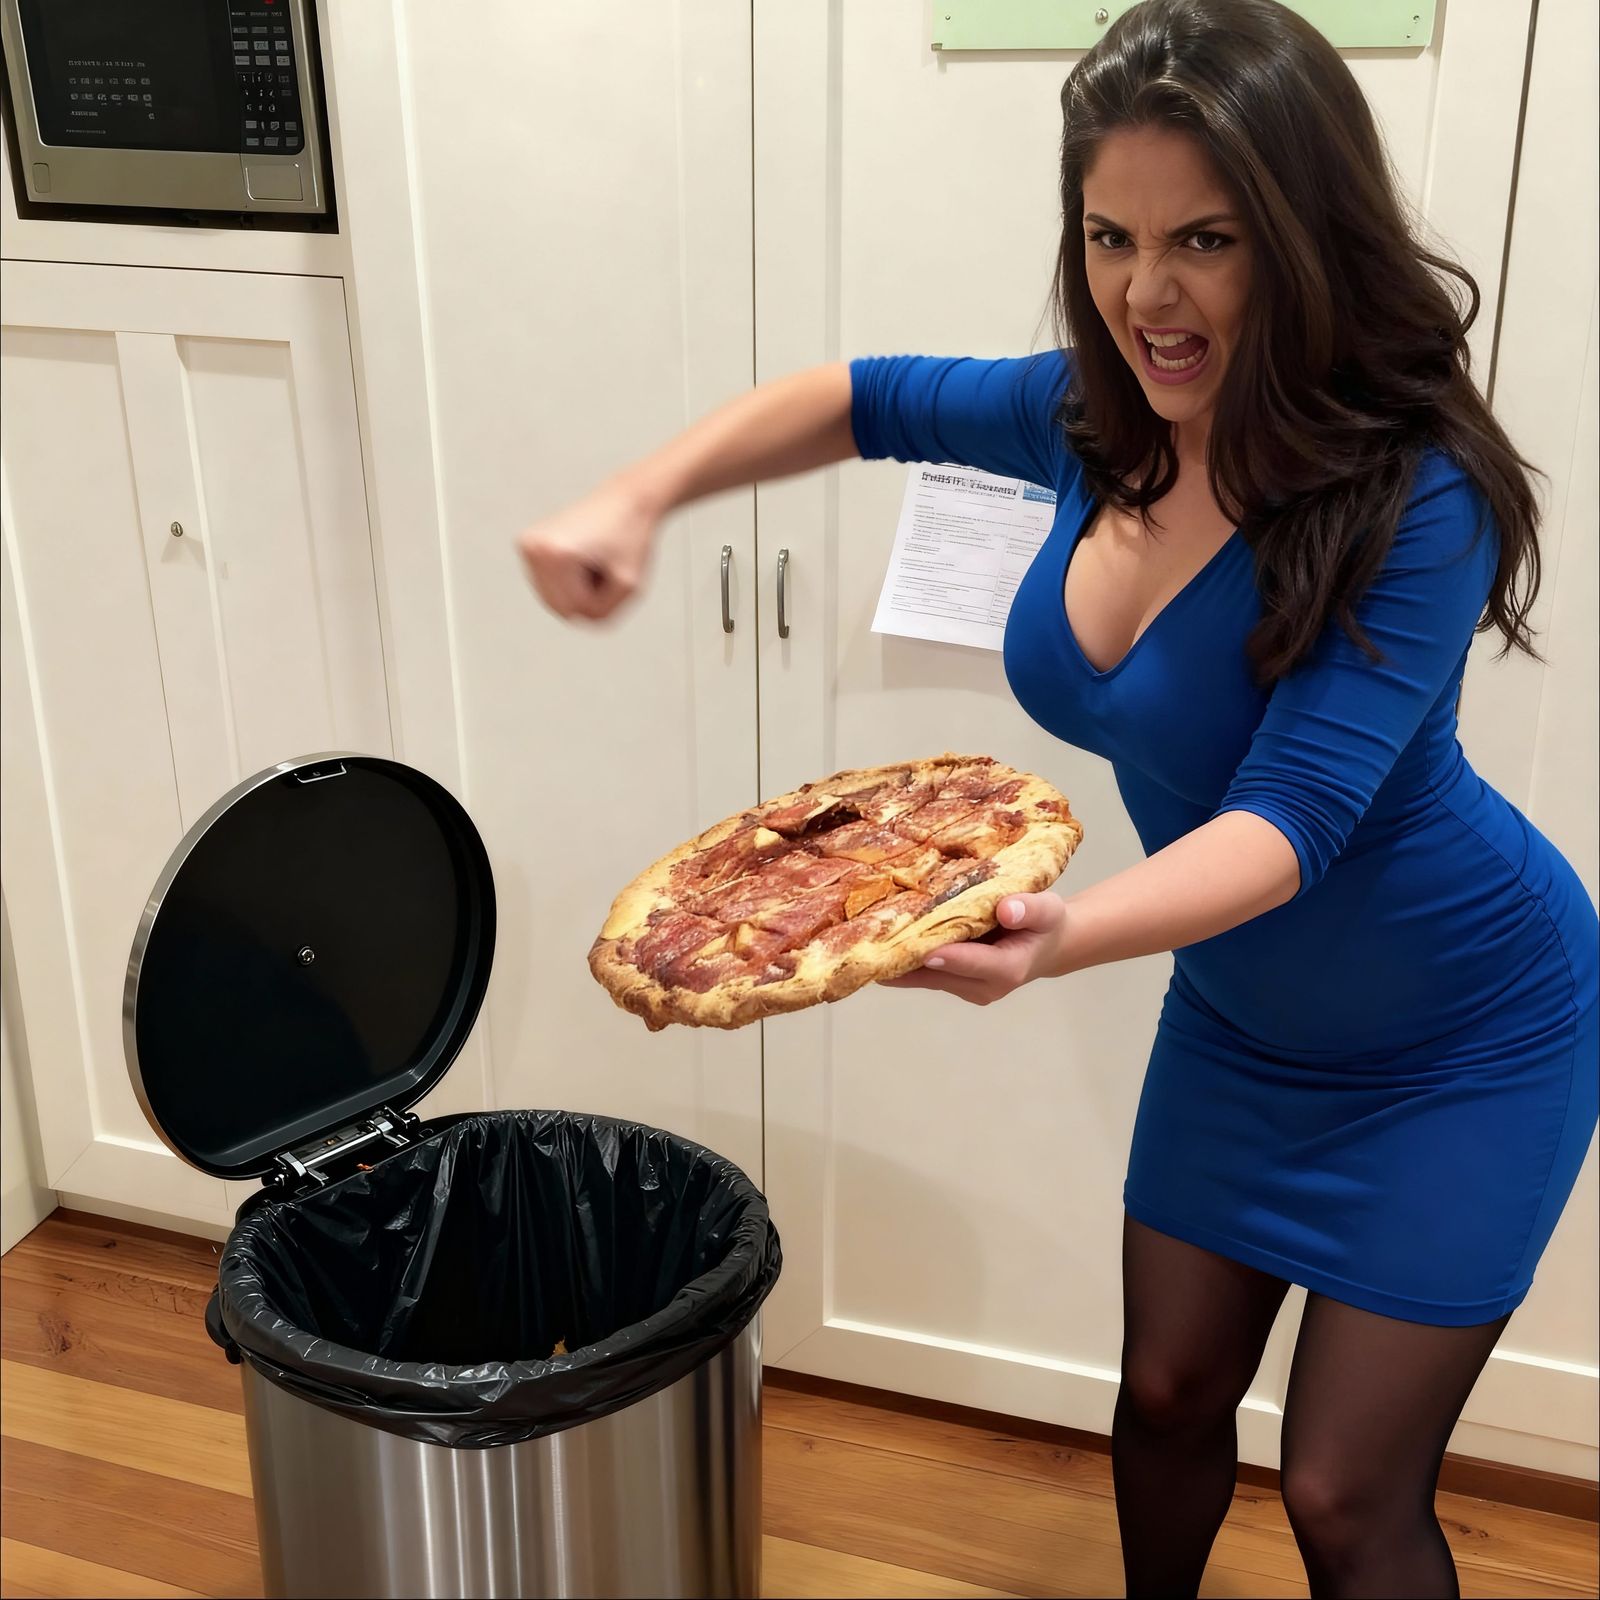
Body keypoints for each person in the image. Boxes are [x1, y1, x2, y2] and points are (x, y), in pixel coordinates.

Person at [516, 1, 1599, 1594]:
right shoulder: (1092, 419)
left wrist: (1058, 932)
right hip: (1246, 1016)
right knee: (1163, 1401)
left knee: (1344, 1494)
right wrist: (639, 493)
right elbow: (857, 393)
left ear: (1301, 239)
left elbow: (1288, 822)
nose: (1146, 294)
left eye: (1206, 241)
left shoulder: (1408, 490)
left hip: (1468, 1033)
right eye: (1110, 236)